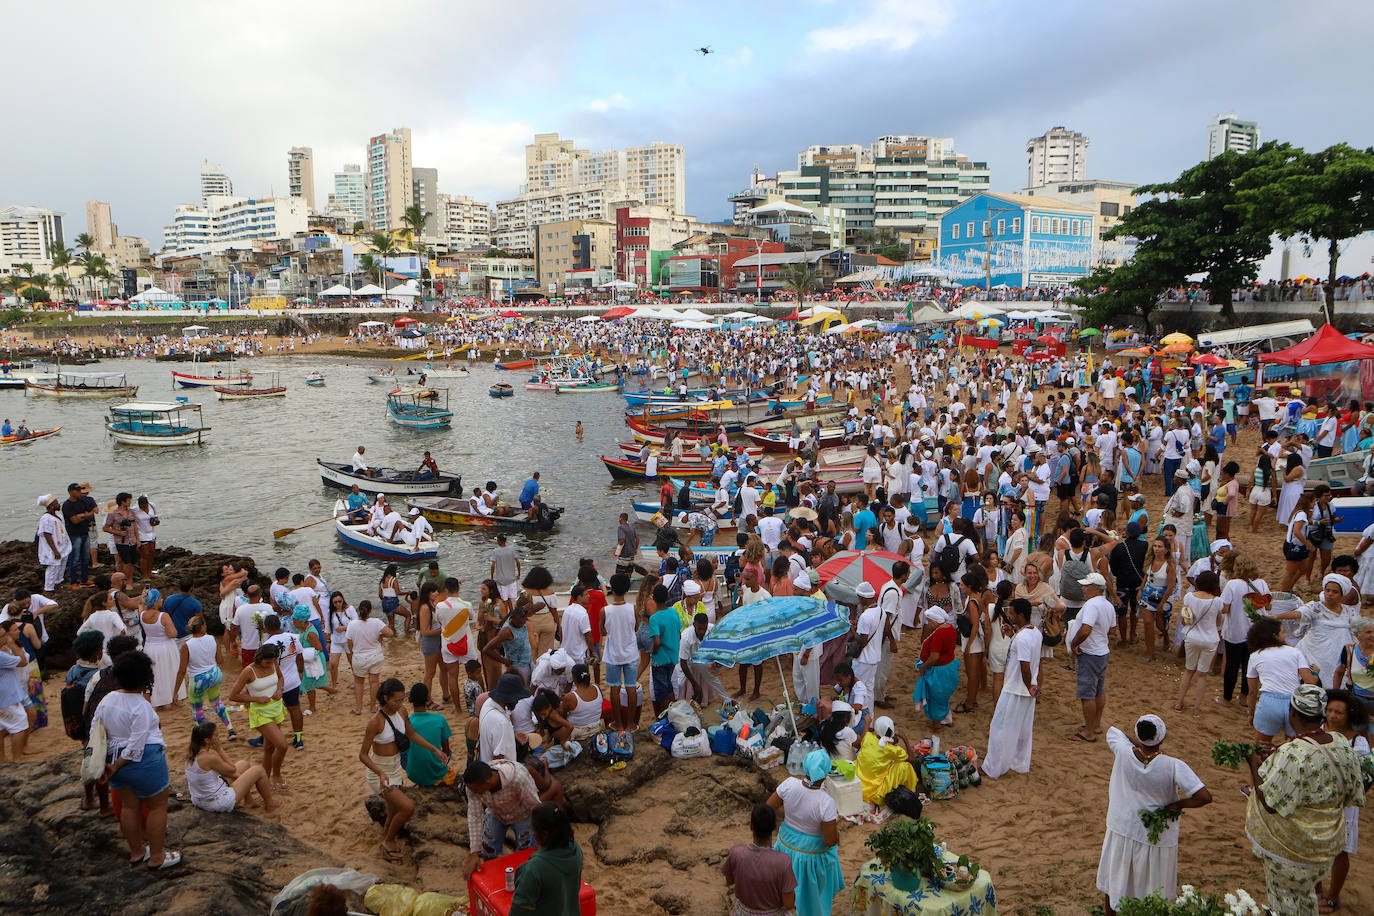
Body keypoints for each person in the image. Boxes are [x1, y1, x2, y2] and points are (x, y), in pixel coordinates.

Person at [1246, 685, 1365, 916]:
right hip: (1326, 845)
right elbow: (1353, 792)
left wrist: (1253, 765)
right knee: (1306, 897)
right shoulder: (1341, 743)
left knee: (1285, 901)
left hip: (1293, 848)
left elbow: (1271, 803)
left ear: (1292, 714)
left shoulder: (1293, 752)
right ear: (1322, 714)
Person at [1095, 715, 1211, 916]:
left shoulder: (1122, 751)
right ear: (1162, 738)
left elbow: (1116, 732)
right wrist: (1177, 805)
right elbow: (1204, 796)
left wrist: (1140, 744)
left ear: (1139, 736)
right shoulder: (1173, 765)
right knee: (1153, 886)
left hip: (1122, 828)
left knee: (1115, 880)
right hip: (1154, 837)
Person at [90, 650, 181, 869]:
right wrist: (117, 765)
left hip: (113, 758)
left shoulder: (107, 700)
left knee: (129, 807)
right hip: (143, 761)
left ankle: (137, 852)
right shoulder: (142, 706)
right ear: (145, 678)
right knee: (158, 807)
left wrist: (104, 764)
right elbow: (136, 745)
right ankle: (158, 857)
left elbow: (95, 730)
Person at [362, 678, 444, 862]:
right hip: (380, 773)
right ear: (385, 698)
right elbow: (363, 755)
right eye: (395, 700)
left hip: (395, 768)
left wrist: (434, 749)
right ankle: (389, 841)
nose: (399, 703)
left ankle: (385, 840)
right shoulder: (375, 722)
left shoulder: (402, 711)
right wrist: (380, 773)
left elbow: (412, 734)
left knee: (393, 809)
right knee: (407, 807)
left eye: (402, 699)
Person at [765, 749, 843, 916]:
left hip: (784, 847)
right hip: (809, 859)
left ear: (805, 767)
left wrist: (791, 815)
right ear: (825, 774)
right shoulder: (826, 802)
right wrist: (836, 833)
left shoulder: (789, 784)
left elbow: (769, 807)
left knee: (783, 889)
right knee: (831, 855)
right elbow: (829, 841)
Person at [981, 597, 1042, 778]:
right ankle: (1019, 763)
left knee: (999, 728)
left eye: (1012, 613)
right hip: (1027, 689)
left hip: (1016, 688)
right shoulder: (1035, 632)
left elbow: (1024, 666)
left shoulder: (1022, 638)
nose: (1009, 616)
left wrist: (1029, 685)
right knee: (1023, 731)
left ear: (1021, 615)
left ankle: (992, 768)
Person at [1320, 689, 1369, 912]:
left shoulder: (1358, 743)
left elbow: (1364, 777)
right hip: (1318, 800)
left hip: (1344, 804)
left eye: (1338, 712)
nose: (1332, 716)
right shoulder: (1318, 733)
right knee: (1315, 844)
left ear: (1349, 714)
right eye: (1329, 710)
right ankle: (1316, 888)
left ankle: (1332, 897)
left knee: (1340, 850)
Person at [462, 758, 541, 879]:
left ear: (487, 783)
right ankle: (490, 877)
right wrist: (474, 852)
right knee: (488, 847)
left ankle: (524, 878)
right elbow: (475, 815)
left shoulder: (518, 779)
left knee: (526, 851)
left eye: (476, 790)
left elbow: (535, 806)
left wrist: (541, 835)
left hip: (522, 814)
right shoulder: (472, 786)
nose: (473, 793)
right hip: (496, 813)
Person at [226, 644, 289, 791]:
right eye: (267, 662)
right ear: (260, 658)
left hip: (276, 708)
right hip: (261, 713)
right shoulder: (249, 671)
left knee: (269, 747)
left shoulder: (274, 664)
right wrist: (256, 699)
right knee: (282, 745)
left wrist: (280, 689)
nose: (269, 665)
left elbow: (280, 678)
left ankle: (265, 779)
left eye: (272, 662)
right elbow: (233, 695)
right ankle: (276, 775)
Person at [1247, 618, 1319, 744]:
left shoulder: (1255, 656)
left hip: (1269, 703)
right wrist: (1315, 673)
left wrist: (1251, 713)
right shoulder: (1295, 652)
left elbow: (1252, 692)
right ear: (1275, 636)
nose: (1285, 634)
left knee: (1261, 747)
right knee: (1294, 747)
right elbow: (1310, 681)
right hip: (1294, 704)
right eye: (1283, 632)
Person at [722, 803, 797, 916]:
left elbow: (729, 881)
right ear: (774, 827)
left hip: (743, 912)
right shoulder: (783, 861)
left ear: (751, 826)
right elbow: (789, 903)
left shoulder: (736, 853)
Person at [185, 721, 276, 813]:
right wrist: (219, 750)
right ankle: (270, 804)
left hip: (199, 799)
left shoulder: (192, 753)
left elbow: (227, 772)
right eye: (216, 736)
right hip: (215, 802)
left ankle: (249, 801)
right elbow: (232, 769)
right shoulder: (209, 758)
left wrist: (239, 777)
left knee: (244, 764)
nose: (218, 738)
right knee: (258, 770)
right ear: (207, 740)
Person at [510, 803, 584, 915]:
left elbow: (518, 911)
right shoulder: (576, 850)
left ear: (544, 834)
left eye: (533, 829)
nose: (532, 833)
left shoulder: (534, 868)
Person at [1070, 573, 1116, 742]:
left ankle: (1088, 731)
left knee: (1087, 693)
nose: (1083, 588)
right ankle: (1095, 724)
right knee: (1099, 689)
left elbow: (1085, 629)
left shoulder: (1091, 605)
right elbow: (1112, 630)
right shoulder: (1107, 605)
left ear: (1095, 588)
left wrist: (1074, 644)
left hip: (1090, 653)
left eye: (1086, 585)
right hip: (1102, 652)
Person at [174, 615, 234, 737]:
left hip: (198, 678)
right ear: (202, 627)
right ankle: (230, 729)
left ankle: (203, 736)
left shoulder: (187, 645)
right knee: (217, 703)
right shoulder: (212, 639)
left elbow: (181, 671)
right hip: (214, 674)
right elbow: (220, 660)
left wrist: (176, 691)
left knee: (197, 709)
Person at [1176, 571, 1224, 717]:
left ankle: (1179, 702)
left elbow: (1185, 616)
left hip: (1192, 636)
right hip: (1210, 639)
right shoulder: (1217, 601)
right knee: (1202, 675)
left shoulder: (1189, 597)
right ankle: (1197, 708)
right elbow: (1218, 622)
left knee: (1188, 671)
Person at [910, 607, 960, 727]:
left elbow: (934, 657)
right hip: (949, 666)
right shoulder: (950, 628)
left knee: (934, 696)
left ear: (936, 620)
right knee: (943, 695)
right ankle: (947, 718)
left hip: (939, 669)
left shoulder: (939, 634)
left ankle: (936, 722)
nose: (929, 624)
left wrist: (923, 667)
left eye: (930, 621)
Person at [853, 715, 918, 805]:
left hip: (858, 785)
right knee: (906, 766)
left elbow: (865, 735)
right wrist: (905, 738)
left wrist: (867, 722)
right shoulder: (892, 750)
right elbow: (912, 759)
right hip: (875, 792)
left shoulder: (868, 738)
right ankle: (911, 792)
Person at [138, 589, 182, 709]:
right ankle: (173, 697)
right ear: (156, 600)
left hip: (149, 648)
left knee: (155, 675)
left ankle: (157, 700)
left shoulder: (141, 614)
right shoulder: (164, 616)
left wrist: (143, 596)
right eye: (160, 598)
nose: (162, 600)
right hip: (166, 648)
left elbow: (140, 605)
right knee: (170, 672)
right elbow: (173, 633)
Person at [347, 602, 393, 715]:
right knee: (374, 682)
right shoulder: (376, 622)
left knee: (358, 682)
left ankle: (358, 708)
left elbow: (349, 642)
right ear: (370, 610)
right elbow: (390, 633)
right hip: (375, 656)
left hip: (359, 657)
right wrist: (380, 635)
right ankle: (373, 707)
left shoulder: (352, 624)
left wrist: (353, 652)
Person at [648, 584, 680, 715]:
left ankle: (667, 718)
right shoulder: (673, 612)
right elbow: (679, 633)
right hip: (673, 656)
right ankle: (674, 714)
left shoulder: (654, 618)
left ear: (653, 599)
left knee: (661, 692)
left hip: (660, 659)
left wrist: (653, 652)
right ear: (667, 597)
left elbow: (656, 641)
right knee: (669, 687)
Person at [61, 482, 97, 588]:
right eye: (78, 490)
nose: (80, 492)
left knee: (85, 558)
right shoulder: (67, 505)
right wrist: (86, 515)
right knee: (74, 559)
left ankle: (84, 579)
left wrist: (82, 516)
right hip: (73, 534)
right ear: (71, 492)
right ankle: (73, 582)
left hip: (85, 532)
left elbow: (92, 512)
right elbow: (74, 520)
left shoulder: (82, 501)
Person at [35, 493, 72, 595]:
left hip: (62, 547)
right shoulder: (46, 518)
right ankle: (48, 590)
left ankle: (58, 586)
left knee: (61, 567)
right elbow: (47, 535)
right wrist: (54, 550)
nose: (58, 504)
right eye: (56, 503)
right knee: (53, 568)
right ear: (51, 506)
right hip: (53, 548)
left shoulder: (58, 516)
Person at [491, 534, 521, 613]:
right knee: (509, 599)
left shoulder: (495, 551)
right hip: (511, 579)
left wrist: (492, 577)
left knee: (504, 600)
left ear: (499, 541)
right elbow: (517, 562)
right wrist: (519, 574)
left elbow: (493, 565)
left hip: (501, 580)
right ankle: (512, 613)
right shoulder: (511, 549)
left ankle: (505, 616)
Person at [132, 495, 159, 580]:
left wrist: (155, 522)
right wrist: (136, 539)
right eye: (141, 506)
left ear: (147, 503)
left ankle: (149, 572)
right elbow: (132, 523)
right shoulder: (134, 510)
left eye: (144, 506)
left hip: (151, 533)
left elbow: (156, 517)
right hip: (141, 534)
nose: (143, 508)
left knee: (151, 553)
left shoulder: (152, 506)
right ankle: (144, 575)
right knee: (144, 555)